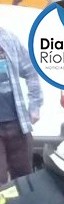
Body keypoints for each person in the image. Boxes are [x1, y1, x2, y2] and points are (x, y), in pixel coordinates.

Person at [0, 25, 43, 183]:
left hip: (18, 124)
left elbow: (31, 71)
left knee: (24, 179)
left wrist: (34, 106)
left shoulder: (8, 38)